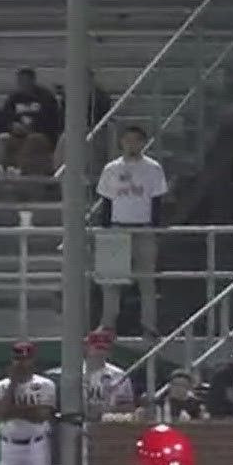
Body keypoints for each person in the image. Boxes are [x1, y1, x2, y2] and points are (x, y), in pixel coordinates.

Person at [96, 125, 169, 336]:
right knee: (111, 279)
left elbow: (157, 200)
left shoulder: (153, 168)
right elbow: (106, 201)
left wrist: (155, 229)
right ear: (121, 142)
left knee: (146, 280)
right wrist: (106, 229)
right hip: (117, 226)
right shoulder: (111, 169)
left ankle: (149, 325)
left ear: (143, 143)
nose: (131, 145)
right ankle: (107, 324)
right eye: (127, 140)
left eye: (136, 140)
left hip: (143, 227)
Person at [56, 327, 139, 422]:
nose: (100, 351)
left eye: (103, 348)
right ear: (86, 347)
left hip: (106, 424)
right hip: (74, 422)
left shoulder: (119, 375)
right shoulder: (72, 372)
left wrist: (105, 411)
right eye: (97, 347)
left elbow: (127, 406)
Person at [0, 67, 61, 178]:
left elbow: (52, 122)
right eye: (21, 81)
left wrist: (30, 129)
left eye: (26, 81)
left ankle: (20, 171)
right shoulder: (13, 98)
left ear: (33, 81)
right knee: (2, 139)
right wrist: (12, 126)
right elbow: (4, 119)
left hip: (42, 135)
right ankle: (1, 170)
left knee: (32, 139)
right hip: (19, 134)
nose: (23, 84)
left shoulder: (46, 97)